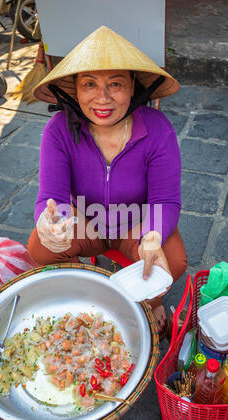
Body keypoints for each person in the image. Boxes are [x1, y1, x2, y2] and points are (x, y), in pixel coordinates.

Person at [27, 26, 187, 340]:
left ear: (133, 90)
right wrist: (52, 223)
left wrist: (151, 235)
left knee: (174, 261)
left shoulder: (158, 130)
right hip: (87, 221)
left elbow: (165, 200)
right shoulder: (58, 131)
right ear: (74, 90)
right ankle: (86, 299)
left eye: (116, 84)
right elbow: (51, 196)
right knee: (39, 248)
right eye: (89, 84)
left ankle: (148, 303)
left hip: (136, 225)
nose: (102, 98)